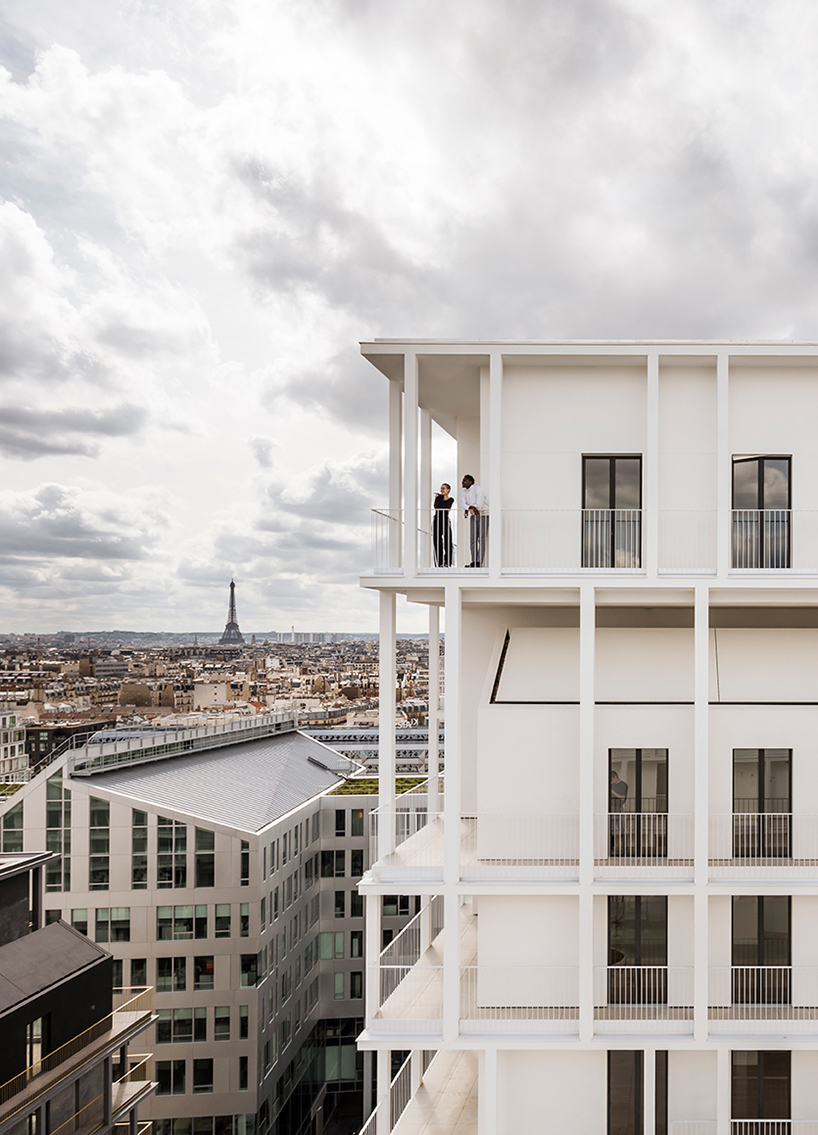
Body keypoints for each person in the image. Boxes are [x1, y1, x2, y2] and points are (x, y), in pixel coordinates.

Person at [460, 474, 489, 567]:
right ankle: (473, 561)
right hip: (473, 515)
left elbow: (479, 505)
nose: (462, 482)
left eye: (464, 480)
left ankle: (479, 561)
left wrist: (470, 507)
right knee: (473, 539)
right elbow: (462, 504)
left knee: (482, 538)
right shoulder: (463, 491)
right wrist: (470, 507)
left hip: (484, 514)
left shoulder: (478, 489)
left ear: (470, 482)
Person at [432, 483, 454, 567]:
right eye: (441, 488)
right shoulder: (438, 498)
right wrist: (439, 497)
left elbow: (446, 507)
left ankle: (447, 562)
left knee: (447, 540)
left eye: (444, 488)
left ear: (448, 490)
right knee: (437, 541)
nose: (442, 490)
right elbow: (437, 507)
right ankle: (439, 562)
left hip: (445, 520)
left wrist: (441, 497)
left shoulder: (451, 499)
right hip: (437, 520)